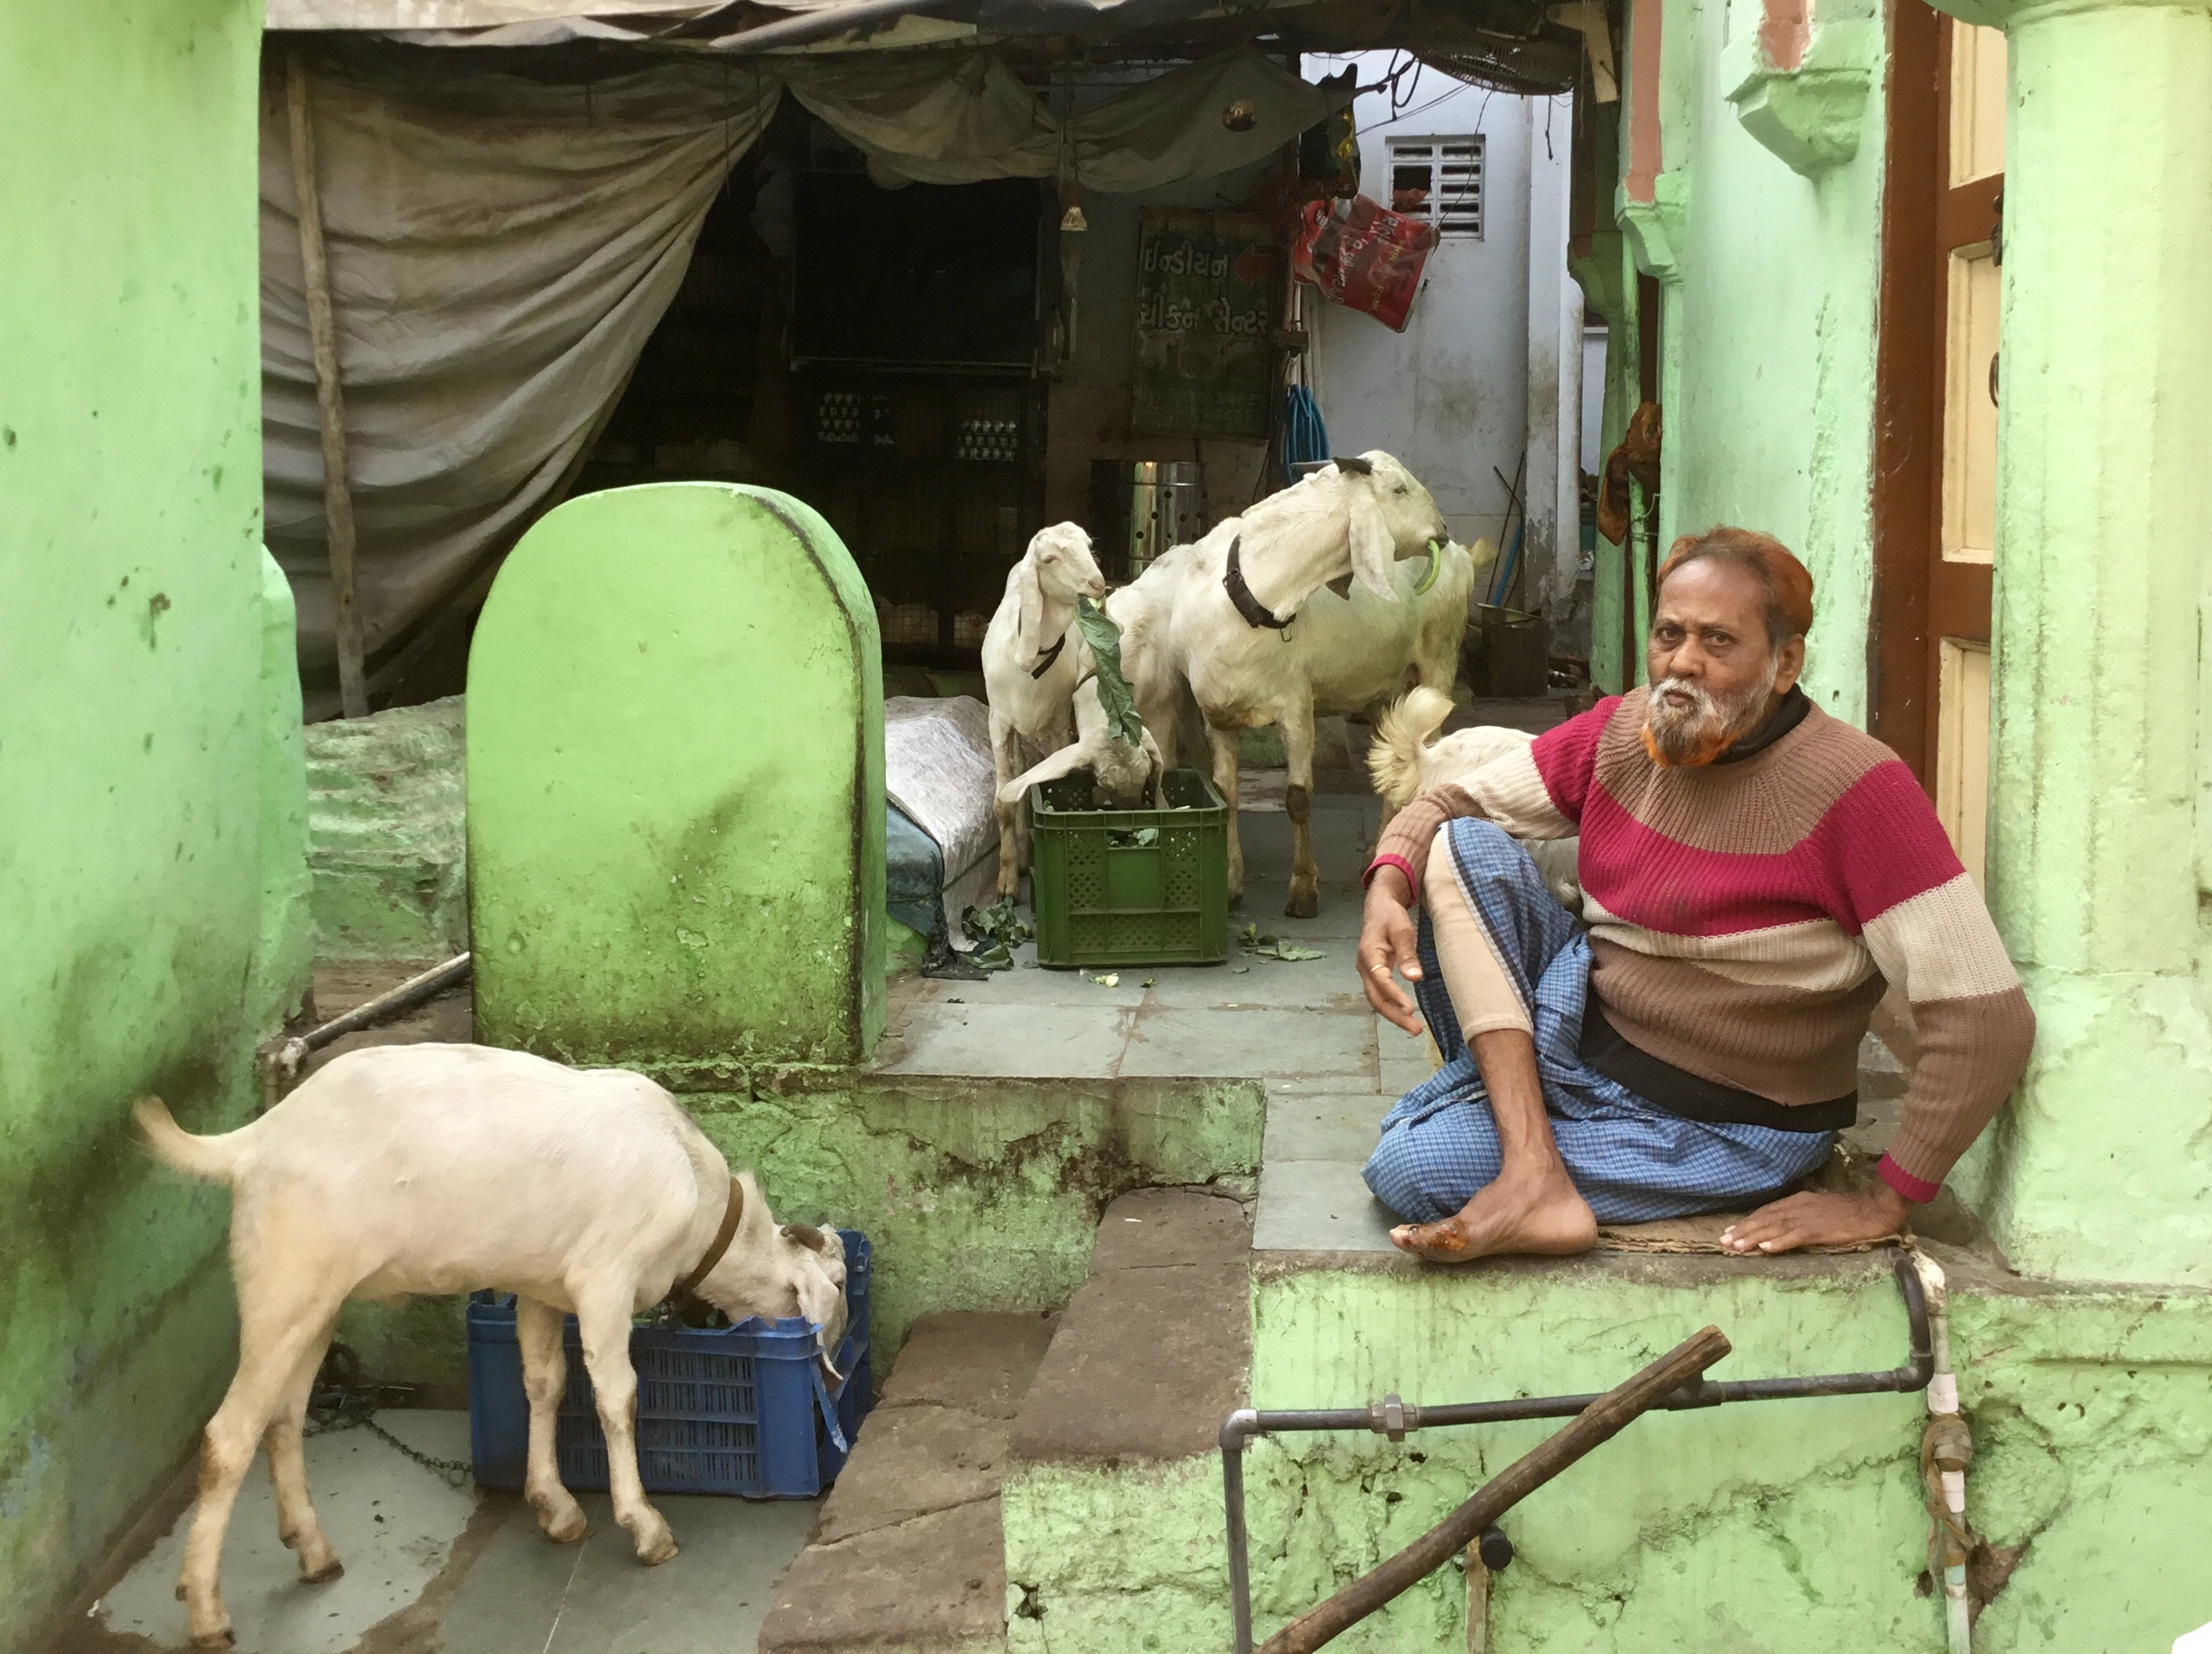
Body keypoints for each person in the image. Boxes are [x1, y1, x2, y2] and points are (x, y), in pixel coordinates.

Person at [1356, 526, 2034, 1260]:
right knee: (1459, 846)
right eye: (1669, 634)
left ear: (1785, 663)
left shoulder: (1860, 790)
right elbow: (1454, 800)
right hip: (1589, 1043)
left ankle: (1516, 1139)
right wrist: (1388, 883)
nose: (1682, 661)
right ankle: (1531, 1165)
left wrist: (1885, 1199)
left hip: (1729, 1122)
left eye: (1718, 641)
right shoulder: (1627, 730)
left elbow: (1988, 1022)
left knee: (1411, 1162)